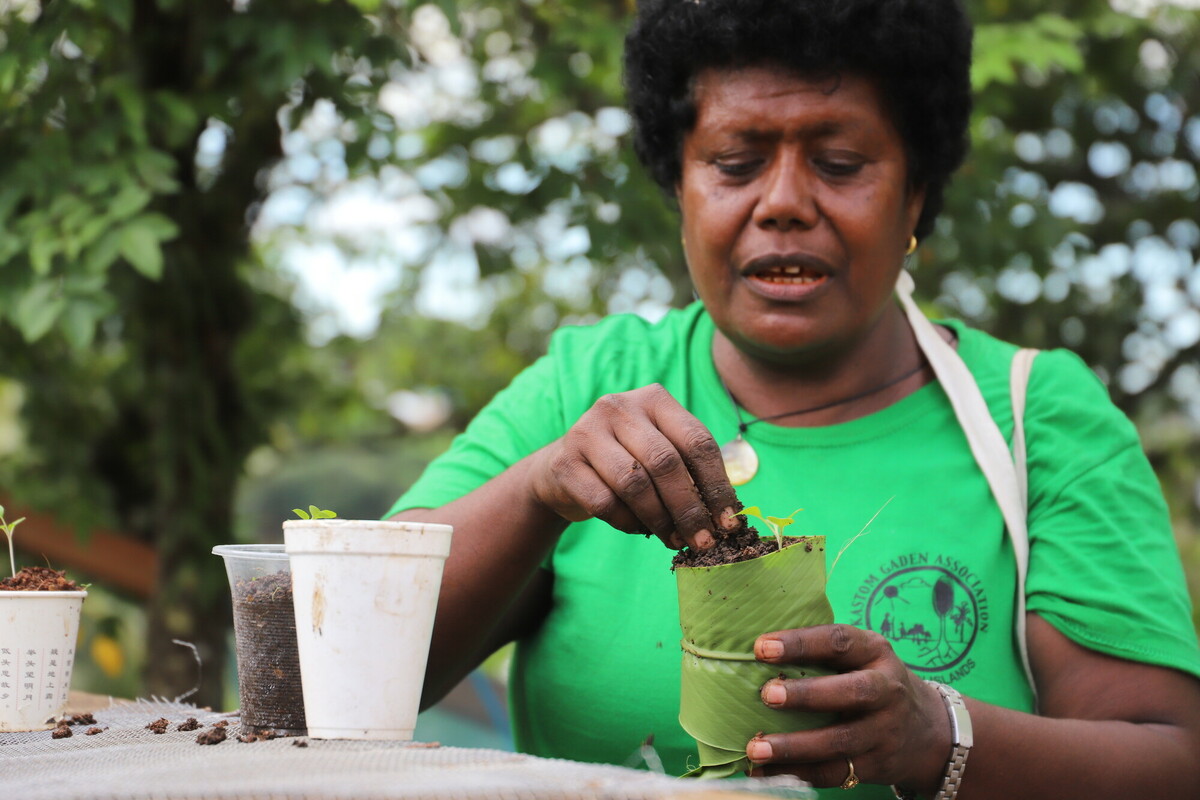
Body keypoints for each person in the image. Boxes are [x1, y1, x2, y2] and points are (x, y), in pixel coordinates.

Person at [388, 0, 1200, 796]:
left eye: (840, 163)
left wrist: (935, 736)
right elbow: (349, 652)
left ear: (916, 192)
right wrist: (539, 490)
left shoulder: (1037, 418)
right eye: (735, 163)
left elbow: (1167, 761)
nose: (782, 202)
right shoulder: (585, 387)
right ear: (679, 186)